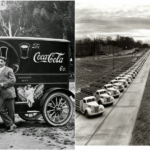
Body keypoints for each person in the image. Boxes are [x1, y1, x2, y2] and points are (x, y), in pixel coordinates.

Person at [0, 56, 17, 132]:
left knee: (11, 111)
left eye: (1, 61)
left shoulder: (9, 70)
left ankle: (11, 126)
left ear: (4, 62)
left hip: (9, 93)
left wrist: (3, 84)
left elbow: (13, 81)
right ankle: (11, 124)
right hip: (1, 94)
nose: (0, 63)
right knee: (1, 109)